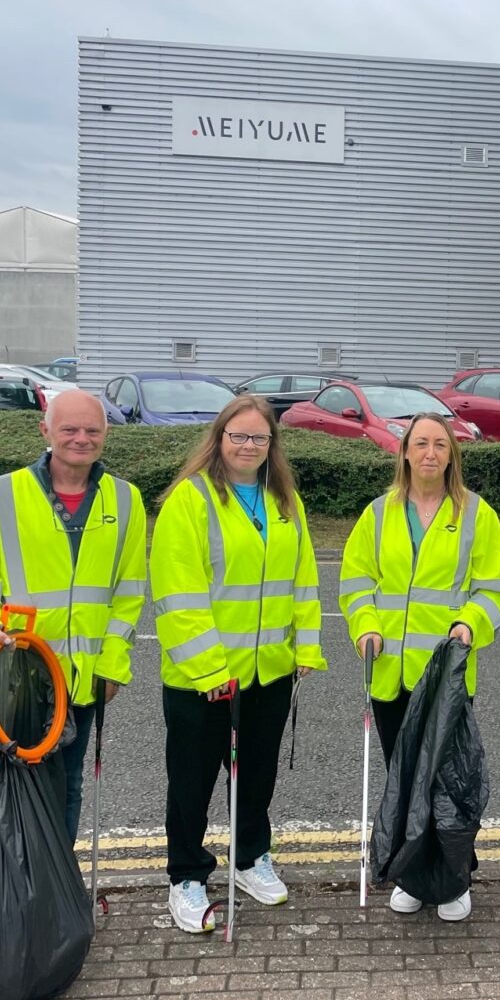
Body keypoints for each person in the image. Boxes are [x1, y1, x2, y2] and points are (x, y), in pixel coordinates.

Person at [151, 396, 324, 932]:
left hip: (268, 671)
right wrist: (208, 671)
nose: (249, 446)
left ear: (273, 445)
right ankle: (187, 876)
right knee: (192, 782)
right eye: (239, 436)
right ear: (219, 438)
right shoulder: (191, 499)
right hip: (202, 678)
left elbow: (303, 581)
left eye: (260, 438)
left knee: (255, 777)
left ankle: (251, 859)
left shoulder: (283, 500)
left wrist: (305, 649)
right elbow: (179, 591)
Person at [0, 389, 148, 842]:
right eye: (69, 429)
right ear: (45, 431)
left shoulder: (126, 500)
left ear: (106, 434)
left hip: (83, 679)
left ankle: (55, 890)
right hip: (19, 677)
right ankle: (13, 892)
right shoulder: (0, 495)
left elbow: (128, 595)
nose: (81, 438)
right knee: (12, 788)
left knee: (67, 788)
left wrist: (113, 666)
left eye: (92, 430)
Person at [339, 413, 500, 923]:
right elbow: (356, 584)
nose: (431, 453)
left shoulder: (477, 515)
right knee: (403, 779)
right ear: (406, 453)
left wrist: (470, 623)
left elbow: (496, 590)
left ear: (452, 455)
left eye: (441, 444)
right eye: (422, 443)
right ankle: (411, 874)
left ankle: (454, 877)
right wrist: (364, 626)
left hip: (446, 677)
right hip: (390, 672)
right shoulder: (378, 514)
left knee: (446, 782)